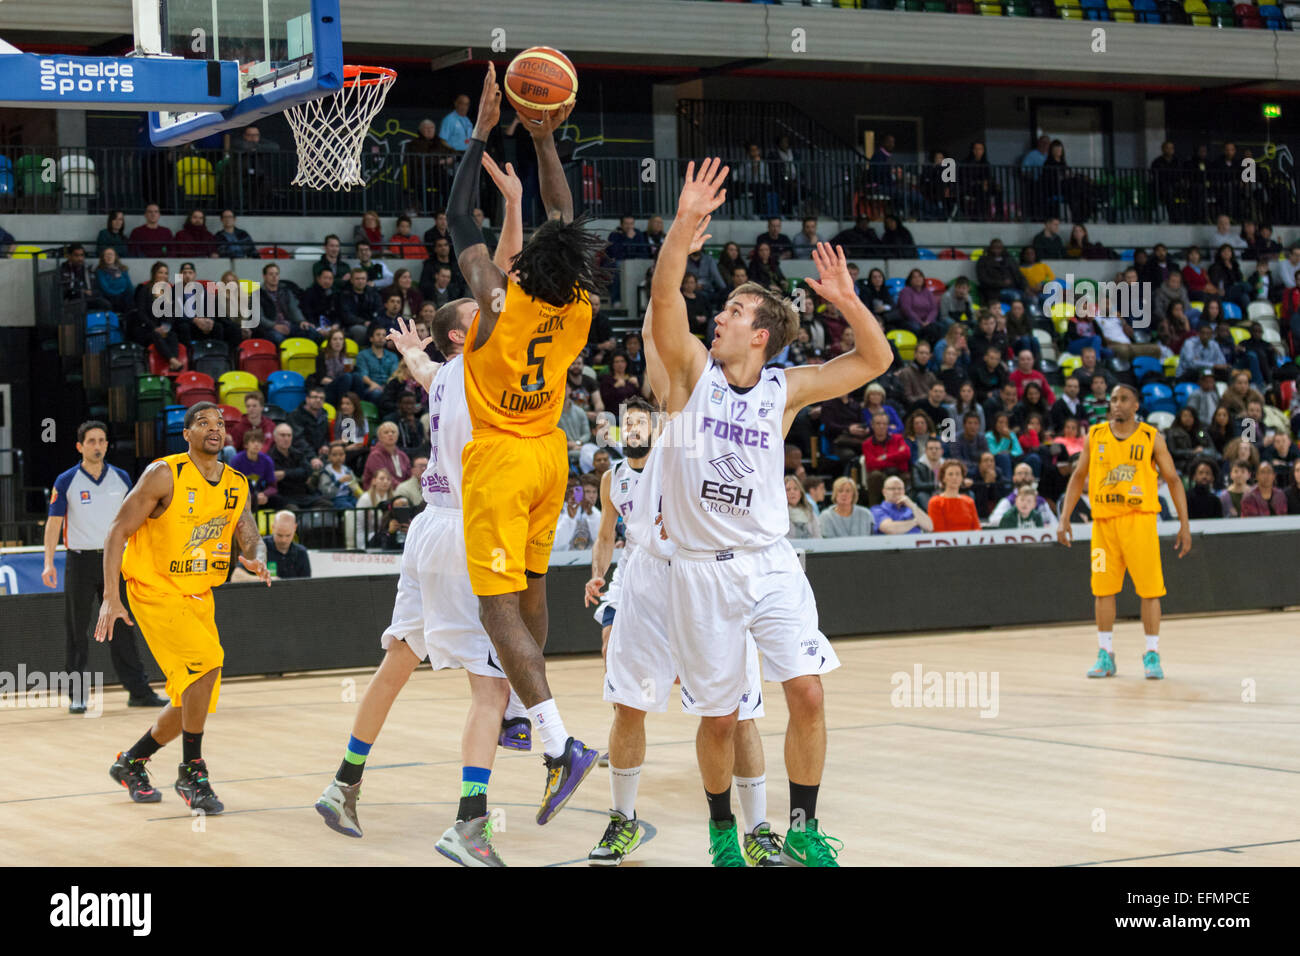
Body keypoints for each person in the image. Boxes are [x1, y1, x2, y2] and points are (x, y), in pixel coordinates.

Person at [650, 152, 894, 865]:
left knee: (809, 696)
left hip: (770, 562)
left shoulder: (783, 389)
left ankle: (804, 830)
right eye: (720, 309)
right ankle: (724, 830)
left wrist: (849, 302)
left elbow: (872, 362)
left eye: (732, 311)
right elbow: (667, 298)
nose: (717, 317)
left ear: (761, 333)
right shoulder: (693, 372)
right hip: (700, 573)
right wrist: (683, 223)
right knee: (721, 719)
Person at [446, 65, 603, 822]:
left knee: (493, 609)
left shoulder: (493, 308)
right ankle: (521, 705)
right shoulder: (573, 307)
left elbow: (458, 226)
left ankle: (554, 740)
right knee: (532, 591)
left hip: (503, 461)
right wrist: (545, 141)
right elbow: (564, 217)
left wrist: (478, 134)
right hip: (551, 455)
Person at [583, 395, 776, 864]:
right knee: (628, 705)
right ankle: (622, 821)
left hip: (705, 575)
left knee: (740, 713)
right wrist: (601, 579)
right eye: (624, 423)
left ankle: (758, 830)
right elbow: (608, 535)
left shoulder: (685, 447)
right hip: (644, 581)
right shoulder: (615, 478)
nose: (631, 429)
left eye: (640, 422)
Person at [96, 403, 271, 812]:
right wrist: (110, 595)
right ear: (187, 434)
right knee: (209, 662)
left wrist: (256, 554)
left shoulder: (236, 482)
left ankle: (132, 762)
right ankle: (192, 771)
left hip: (198, 595)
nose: (215, 428)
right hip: (155, 590)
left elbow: (248, 532)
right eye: (204, 423)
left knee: (192, 697)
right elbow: (118, 530)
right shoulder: (164, 474)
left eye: (221, 424)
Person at [1058, 384, 1192, 680]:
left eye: (1123, 399)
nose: (1116, 404)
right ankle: (1105, 654)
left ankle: (1152, 653)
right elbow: (1079, 476)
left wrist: (1185, 524)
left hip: (1139, 522)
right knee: (1102, 590)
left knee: (1150, 590)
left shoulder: (1151, 438)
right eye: (1113, 399)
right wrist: (1064, 517)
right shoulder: (1095, 435)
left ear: (1136, 405)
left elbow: (1173, 480)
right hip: (1104, 526)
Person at [42, 421, 165, 714]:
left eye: (102, 440)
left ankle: (139, 691)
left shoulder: (122, 478)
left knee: (122, 626)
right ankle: (78, 695)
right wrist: (48, 562)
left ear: (108, 445)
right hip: (81, 561)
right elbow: (53, 524)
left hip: (116, 562)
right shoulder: (66, 480)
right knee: (77, 629)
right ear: (80, 446)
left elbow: (139, 519)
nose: (97, 446)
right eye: (91, 441)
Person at [927, 460, 981, 531]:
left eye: (958, 474)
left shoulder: (969, 501)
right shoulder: (935, 502)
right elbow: (939, 531)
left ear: (962, 478)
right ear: (943, 478)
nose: (954, 477)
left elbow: (977, 529)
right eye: (950, 474)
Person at [230, 429, 277, 509]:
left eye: (259, 442)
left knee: (278, 501)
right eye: (253, 441)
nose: (256, 444)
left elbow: (273, 487)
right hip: (242, 497)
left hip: (260, 496)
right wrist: (253, 498)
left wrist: (264, 494)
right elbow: (232, 487)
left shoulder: (267, 461)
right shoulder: (237, 460)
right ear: (246, 444)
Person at [262, 511, 311, 579]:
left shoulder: (301, 552)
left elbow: (307, 584)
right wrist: (264, 579)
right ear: (273, 527)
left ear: (295, 528)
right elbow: (241, 574)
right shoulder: (259, 547)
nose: (283, 540)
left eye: (288, 535)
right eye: (279, 535)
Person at [93, 247, 134, 313]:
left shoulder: (123, 269)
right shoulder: (100, 271)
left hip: (124, 296)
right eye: (106, 255)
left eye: (111, 254)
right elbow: (105, 289)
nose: (109, 257)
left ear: (115, 257)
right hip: (109, 297)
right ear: (103, 257)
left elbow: (129, 285)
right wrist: (119, 292)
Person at [785, 474, 822, 539]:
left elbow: (818, 536)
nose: (792, 492)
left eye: (795, 489)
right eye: (788, 489)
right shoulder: (779, 515)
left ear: (801, 492)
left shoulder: (809, 512)